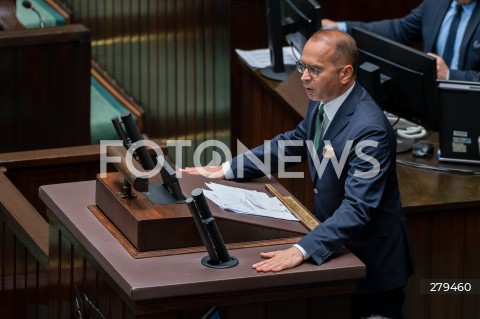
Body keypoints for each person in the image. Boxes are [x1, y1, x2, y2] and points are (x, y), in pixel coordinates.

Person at [182, 29, 415, 319]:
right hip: (338, 250)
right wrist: (228, 168)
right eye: (303, 66)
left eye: (315, 70)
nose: (304, 76)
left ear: (345, 73)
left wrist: (303, 249)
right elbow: (295, 142)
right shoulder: (321, 99)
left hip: (372, 266)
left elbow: (358, 208)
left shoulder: (370, 129)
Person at [322, 0, 480, 81]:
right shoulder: (436, 2)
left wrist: (449, 75)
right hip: (432, 98)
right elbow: (399, 29)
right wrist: (341, 28)